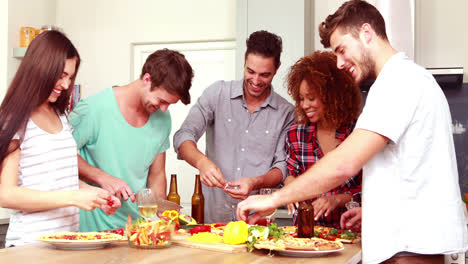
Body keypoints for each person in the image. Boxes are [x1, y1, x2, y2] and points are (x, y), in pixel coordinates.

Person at [237, 1, 468, 263]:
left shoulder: (399, 82)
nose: (339, 62)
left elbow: (345, 164)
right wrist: (372, 212)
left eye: (342, 49)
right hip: (406, 245)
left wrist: (273, 199)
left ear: (366, 33)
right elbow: (406, 173)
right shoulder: (406, 80)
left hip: (408, 250)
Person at [0, 30, 120, 247]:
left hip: (66, 243)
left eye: (70, 77)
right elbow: (5, 195)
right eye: (61, 75)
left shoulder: (60, 115)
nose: (66, 85)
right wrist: (73, 198)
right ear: (40, 69)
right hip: (30, 247)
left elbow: (57, 181)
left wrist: (95, 194)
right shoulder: (14, 119)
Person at [173, 30, 295, 223]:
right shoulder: (217, 93)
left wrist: (255, 182)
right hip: (212, 220)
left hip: (256, 222)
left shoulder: (286, 112)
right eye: (250, 71)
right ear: (244, 60)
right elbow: (183, 135)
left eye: (265, 75)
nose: (255, 81)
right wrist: (201, 162)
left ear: (277, 68)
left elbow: (282, 167)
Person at [70, 48, 194, 231]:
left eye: (169, 104)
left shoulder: (162, 119)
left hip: (138, 232)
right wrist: (102, 177)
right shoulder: (93, 109)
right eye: (162, 101)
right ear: (147, 80)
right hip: (95, 232)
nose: (164, 109)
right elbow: (60, 157)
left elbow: (157, 174)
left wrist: (159, 219)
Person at [284, 51, 362, 229]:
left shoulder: (357, 134)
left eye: (311, 98)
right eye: (301, 98)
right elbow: (291, 175)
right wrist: (291, 191)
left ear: (333, 96)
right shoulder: (297, 134)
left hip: (348, 233)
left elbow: (369, 190)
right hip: (305, 232)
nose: (304, 105)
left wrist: (337, 200)